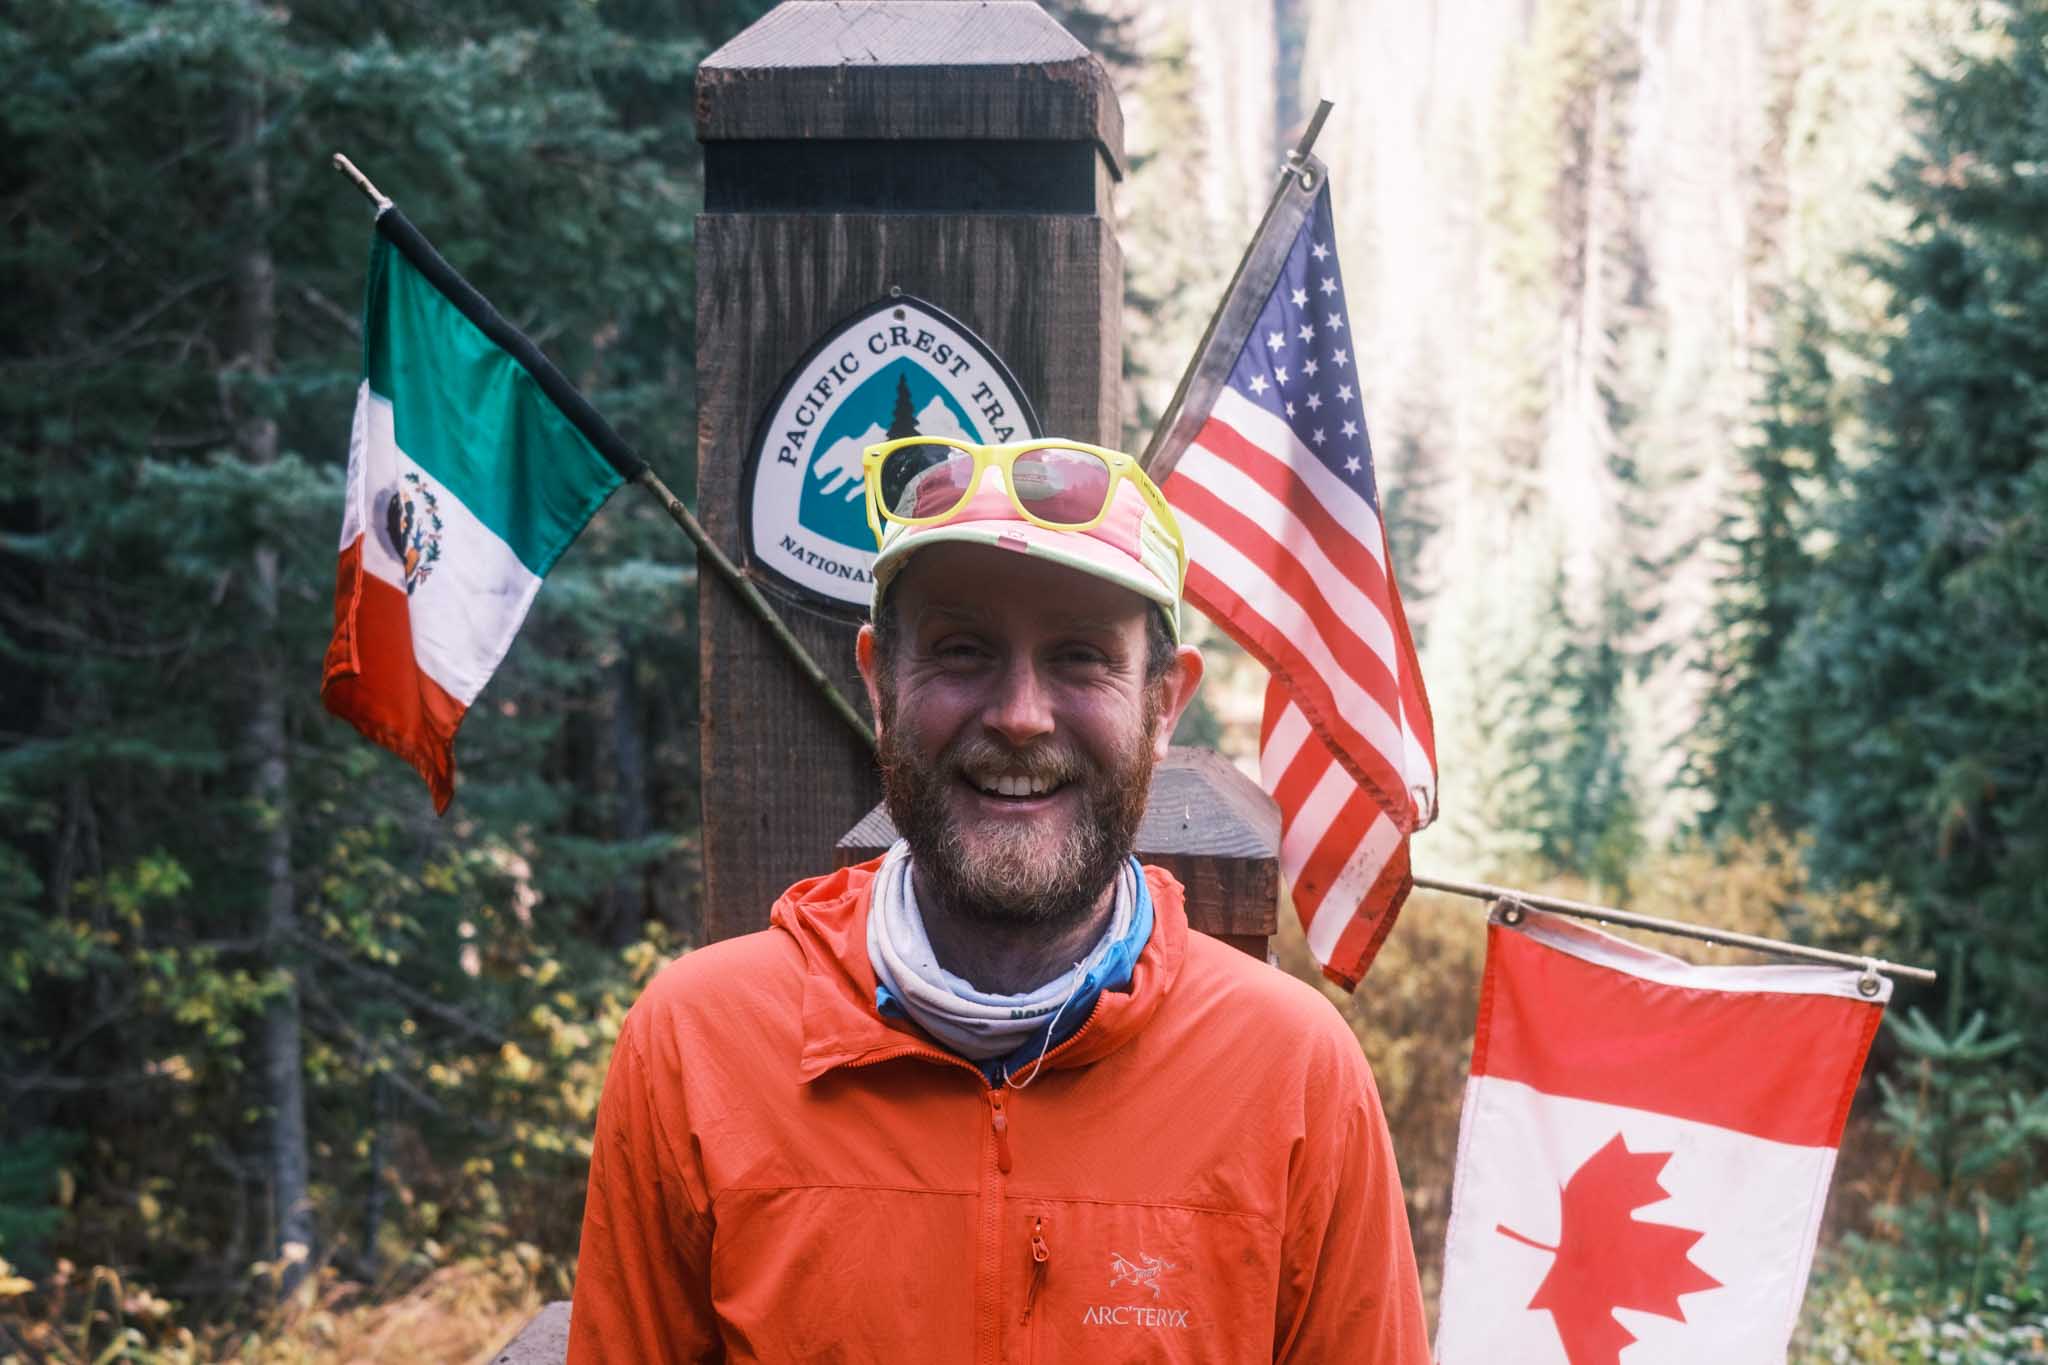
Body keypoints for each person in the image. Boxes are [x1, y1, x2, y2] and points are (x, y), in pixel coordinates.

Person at [567, 437, 1429, 1363]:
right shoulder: (697, 1048)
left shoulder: (1297, 1078)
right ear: (879, 683)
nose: (1020, 714)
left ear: (1163, 703)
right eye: (962, 649)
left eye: (1080, 657)